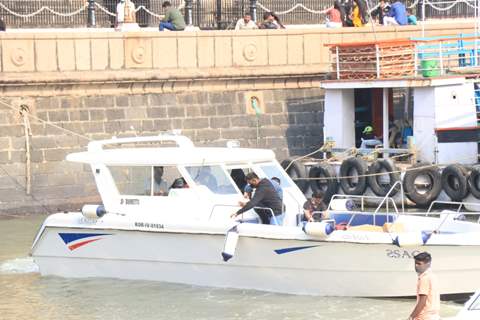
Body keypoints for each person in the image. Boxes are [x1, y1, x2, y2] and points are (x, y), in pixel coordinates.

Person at [409, 252, 440, 320]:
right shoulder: (433, 276)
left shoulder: (424, 278)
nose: (416, 266)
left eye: (419, 264)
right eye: (415, 263)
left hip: (424, 317)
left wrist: (411, 317)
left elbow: (422, 301)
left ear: (427, 264)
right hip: (434, 316)